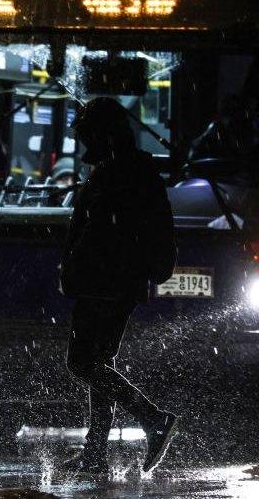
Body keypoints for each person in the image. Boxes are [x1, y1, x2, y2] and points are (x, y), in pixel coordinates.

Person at [59, 97, 179, 475]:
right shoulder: (130, 168)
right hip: (115, 280)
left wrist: (77, 266)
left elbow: (100, 231)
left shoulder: (119, 172)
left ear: (102, 133)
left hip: (105, 280)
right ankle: (95, 453)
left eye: (85, 135)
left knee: (82, 361)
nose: (82, 145)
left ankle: (153, 418)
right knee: (101, 362)